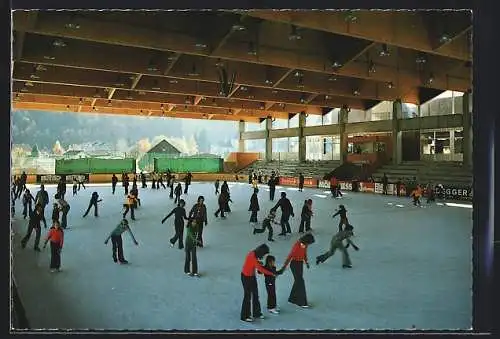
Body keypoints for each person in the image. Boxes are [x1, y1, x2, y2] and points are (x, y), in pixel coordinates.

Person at [240, 244, 275, 322]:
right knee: (247, 297)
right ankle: (244, 316)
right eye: (264, 254)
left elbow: (255, 264)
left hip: (252, 277)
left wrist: (259, 263)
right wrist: (271, 273)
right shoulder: (253, 256)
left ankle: (257, 313)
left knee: (256, 295)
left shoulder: (254, 254)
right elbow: (260, 270)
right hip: (246, 278)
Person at [280, 233, 315, 308]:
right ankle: (302, 302)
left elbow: (304, 253)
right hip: (294, 265)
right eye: (309, 243)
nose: (309, 245)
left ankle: (292, 298)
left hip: (300, 264)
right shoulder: (297, 246)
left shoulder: (304, 245)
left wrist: (306, 262)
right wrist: (283, 267)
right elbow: (290, 256)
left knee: (297, 281)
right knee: (300, 282)